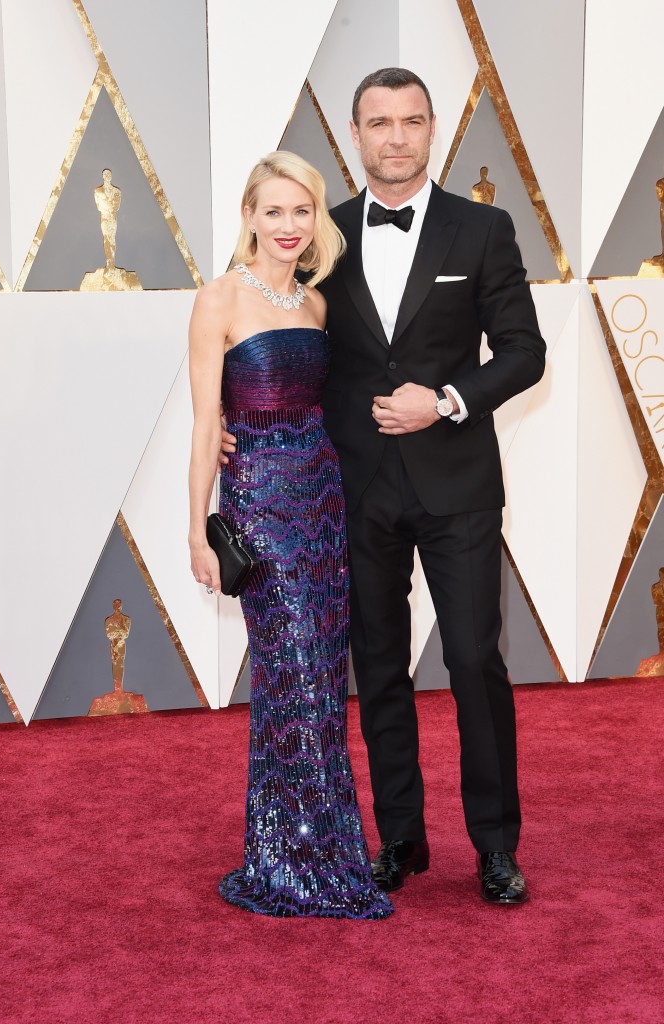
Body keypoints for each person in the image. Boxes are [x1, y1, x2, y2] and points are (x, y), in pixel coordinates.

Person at [316, 68, 546, 904]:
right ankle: (401, 840)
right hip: (358, 484)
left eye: (412, 120)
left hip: (458, 486)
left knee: (474, 659)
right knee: (376, 666)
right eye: (380, 121)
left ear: (432, 128)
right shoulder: (325, 235)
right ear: (356, 133)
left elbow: (525, 352)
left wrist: (446, 400)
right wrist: (241, 419)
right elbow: (297, 348)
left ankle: (494, 846)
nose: (397, 136)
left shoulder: (482, 228)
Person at [188, 151, 393, 919]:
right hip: (261, 509)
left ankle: (313, 848)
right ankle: (292, 859)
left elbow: (328, 404)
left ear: (317, 221)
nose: (288, 225)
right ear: (248, 215)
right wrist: (197, 532)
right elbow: (208, 424)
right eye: (273, 211)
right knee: (293, 676)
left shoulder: (315, 305)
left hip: (322, 500)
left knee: (319, 681)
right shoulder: (218, 302)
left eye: (301, 211)